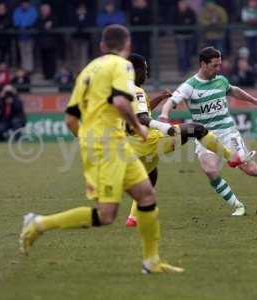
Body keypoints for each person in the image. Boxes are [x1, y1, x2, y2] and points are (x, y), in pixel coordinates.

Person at [19, 24, 183, 274]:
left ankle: (151, 261)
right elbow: (119, 101)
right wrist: (137, 127)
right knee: (106, 215)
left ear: (102, 46)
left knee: (147, 196)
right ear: (126, 46)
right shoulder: (122, 66)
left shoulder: (87, 71)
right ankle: (38, 223)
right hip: (107, 146)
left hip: (110, 144)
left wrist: (86, 141)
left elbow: (71, 119)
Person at [159, 47, 257, 216]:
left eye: (219, 65)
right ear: (203, 64)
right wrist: (165, 115)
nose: (218, 69)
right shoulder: (190, 86)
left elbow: (234, 91)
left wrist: (255, 101)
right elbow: (171, 101)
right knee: (210, 170)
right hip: (205, 136)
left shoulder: (221, 80)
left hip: (228, 133)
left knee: (250, 169)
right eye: (214, 66)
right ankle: (238, 206)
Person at [124, 53, 245, 227]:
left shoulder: (122, 90)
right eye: (145, 69)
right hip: (149, 142)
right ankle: (231, 157)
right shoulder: (136, 91)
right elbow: (142, 118)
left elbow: (139, 110)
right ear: (136, 70)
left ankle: (133, 218)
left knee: (150, 174)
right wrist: (165, 127)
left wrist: (158, 98)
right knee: (197, 129)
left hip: (133, 146)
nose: (147, 74)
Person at [172, 0, 197, 76]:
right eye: (180, 4)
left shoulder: (191, 12)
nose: (182, 6)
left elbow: (193, 22)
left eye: (183, 4)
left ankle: (187, 67)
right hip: (179, 36)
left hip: (190, 36)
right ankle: (182, 70)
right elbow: (173, 23)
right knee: (182, 54)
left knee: (188, 53)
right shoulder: (175, 12)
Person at [13, 0, 38, 73]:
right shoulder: (17, 11)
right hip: (21, 36)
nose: (24, 5)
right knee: (22, 52)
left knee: (29, 52)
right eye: (23, 3)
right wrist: (20, 26)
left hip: (30, 36)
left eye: (26, 3)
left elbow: (34, 20)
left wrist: (28, 26)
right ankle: (24, 69)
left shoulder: (32, 11)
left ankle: (29, 69)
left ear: (28, 4)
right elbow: (16, 21)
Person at [37, 3, 58, 80]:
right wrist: (44, 26)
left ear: (49, 10)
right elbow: (38, 27)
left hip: (51, 43)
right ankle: (46, 76)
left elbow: (55, 26)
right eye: (43, 10)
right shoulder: (39, 19)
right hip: (42, 44)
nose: (44, 11)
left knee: (51, 61)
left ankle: (52, 76)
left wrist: (46, 27)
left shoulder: (53, 18)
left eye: (46, 9)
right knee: (44, 61)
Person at [241, 0, 257, 65]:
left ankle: (255, 63)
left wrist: (253, 21)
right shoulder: (245, 10)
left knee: (255, 49)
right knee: (248, 49)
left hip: (255, 33)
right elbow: (245, 20)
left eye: (254, 2)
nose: (253, 3)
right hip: (247, 33)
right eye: (251, 2)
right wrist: (252, 21)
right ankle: (249, 63)